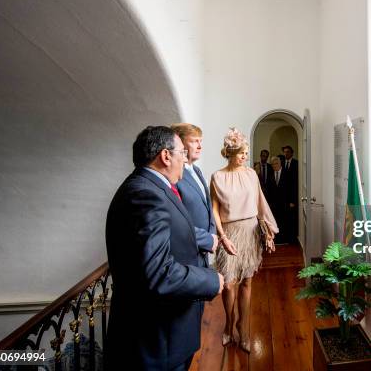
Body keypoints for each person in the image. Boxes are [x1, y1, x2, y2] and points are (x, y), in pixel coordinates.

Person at [105, 126, 224, 371]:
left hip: (168, 334)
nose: (184, 159)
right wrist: (211, 280)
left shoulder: (152, 188)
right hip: (156, 339)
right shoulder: (144, 195)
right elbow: (159, 273)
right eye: (181, 152)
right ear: (165, 156)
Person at [210, 128, 278, 354]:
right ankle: (229, 324)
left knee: (247, 282)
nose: (245, 156)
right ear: (230, 152)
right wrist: (222, 236)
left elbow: (260, 203)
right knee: (229, 284)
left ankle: (243, 328)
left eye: (246, 152)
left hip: (250, 233)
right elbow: (215, 211)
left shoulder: (251, 174)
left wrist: (268, 231)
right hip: (229, 233)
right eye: (242, 152)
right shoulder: (217, 177)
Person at [171, 123, 236, 264]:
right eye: (194, 141)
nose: (200, 146)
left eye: (201, 141)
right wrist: (206, 240)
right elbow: (176, 220)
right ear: (180, 144)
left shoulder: (197, 171)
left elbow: (208, 208)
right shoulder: (173, 175)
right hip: (187, 250)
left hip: (204, 248)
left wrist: (212, 235)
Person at [266, 156, 292, 245]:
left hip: (285, 203)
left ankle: (284, 239)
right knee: (275, 221)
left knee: (284, 221)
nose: (274, 166)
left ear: (280, 163)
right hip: (273, 204)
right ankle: (277, 240)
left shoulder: (287, 173)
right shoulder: (270, 175)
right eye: (272, 164)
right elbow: (267, 190)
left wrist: (292, 201)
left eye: (276, 163)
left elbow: (292, 189)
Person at [281, 145, 299, 241]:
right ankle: (286, 237)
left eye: (288, 152)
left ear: (292, 153)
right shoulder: (282, 163)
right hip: (284, 196)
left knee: (293, 218)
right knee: (285, 219)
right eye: (284, 152)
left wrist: (293, 200)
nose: (286, 153)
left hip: (293, 196)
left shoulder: (297, 163)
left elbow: (296, 183)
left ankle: (293, 238)